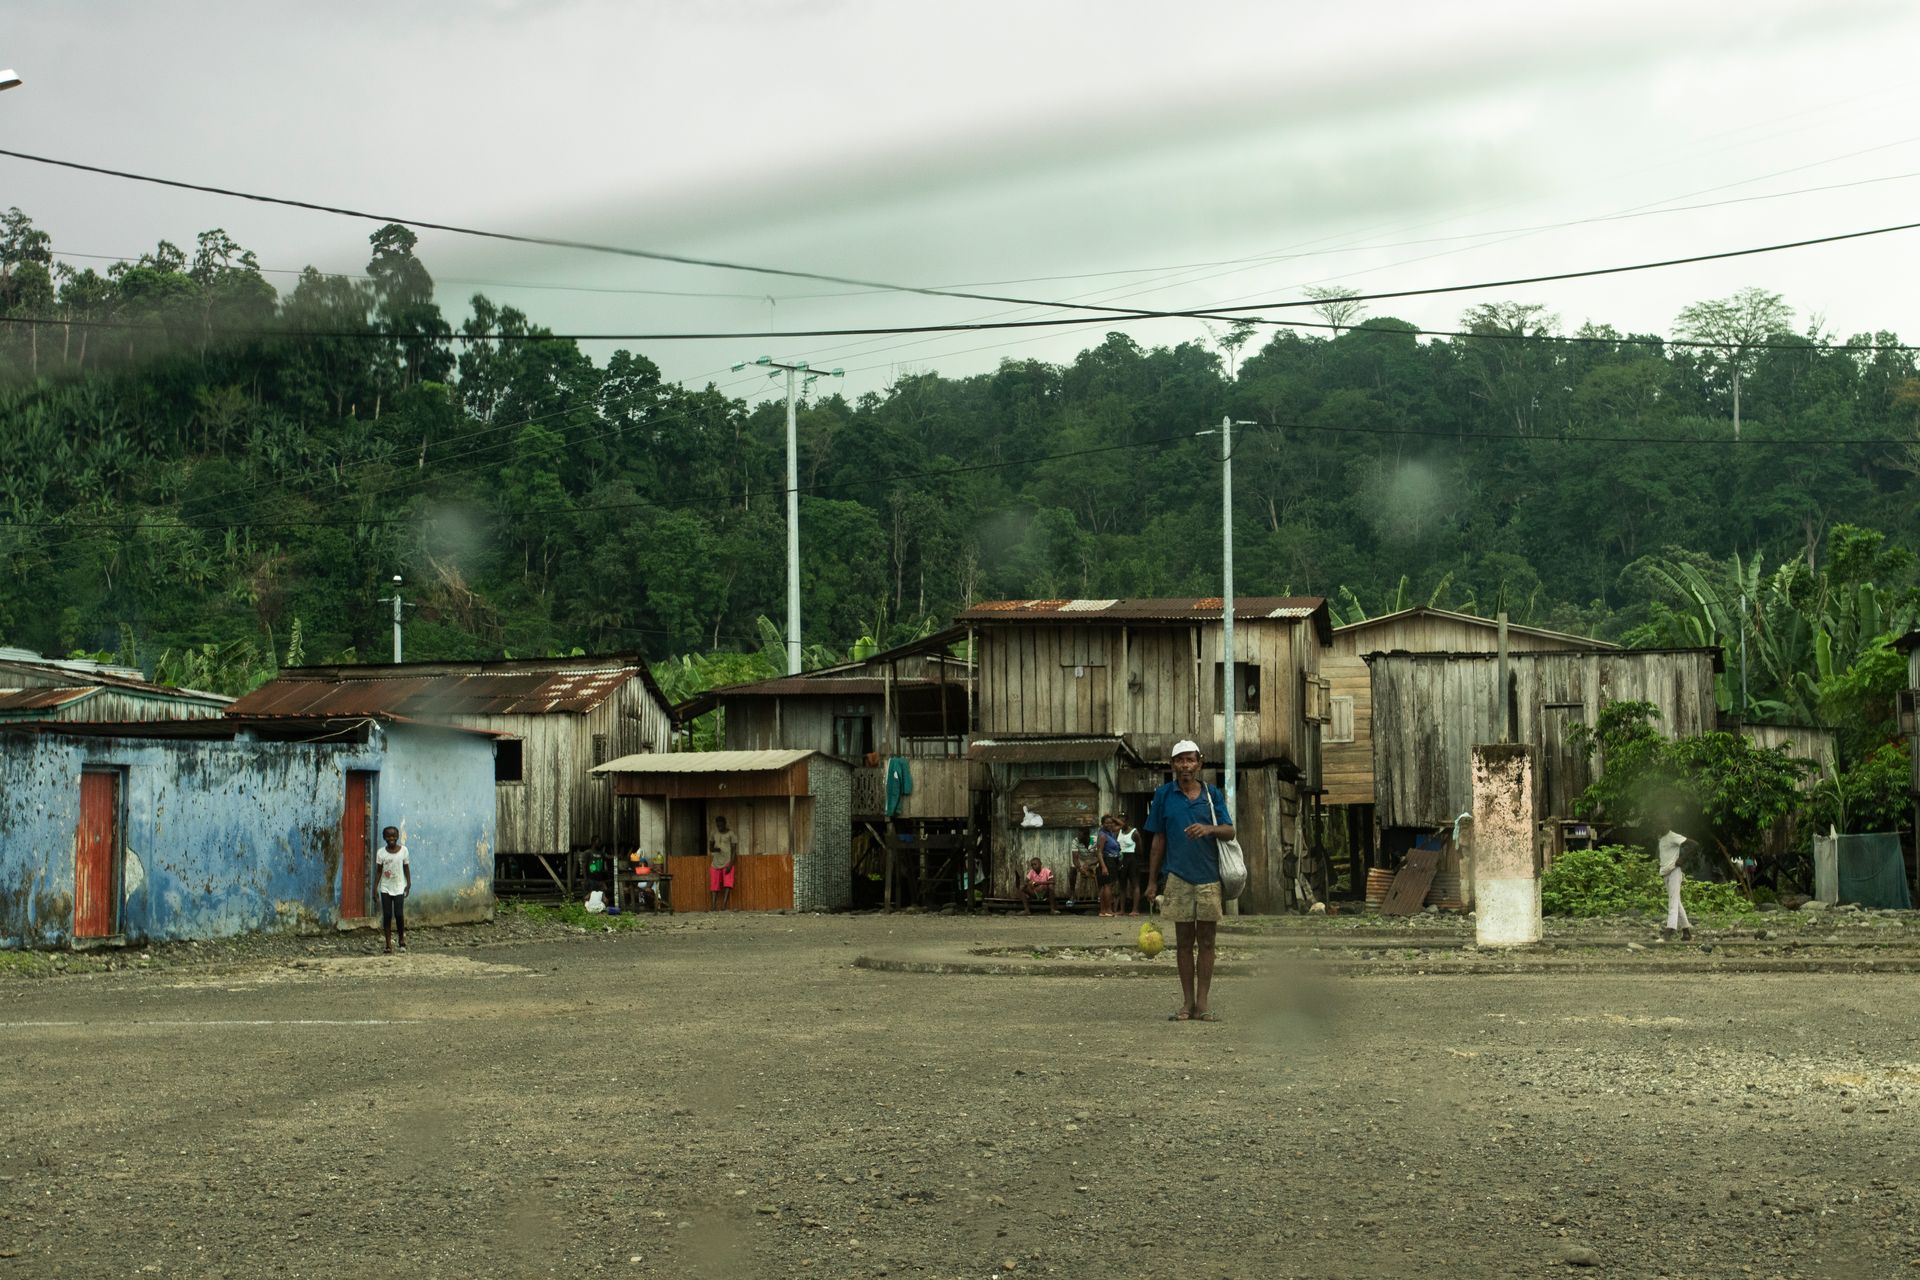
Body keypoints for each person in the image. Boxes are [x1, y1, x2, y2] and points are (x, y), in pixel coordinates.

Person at [1144, 741, 1233, 1021]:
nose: (1185, 765)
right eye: (1180, 760)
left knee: (1207, 943)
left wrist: (1209, 828)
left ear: (1199, 764)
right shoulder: (1164, 796)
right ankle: (1187, 1003)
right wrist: (1151, 882)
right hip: (1178, 878)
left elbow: (1230, 831)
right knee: (1183, 943)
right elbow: (1158, 839)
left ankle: (1203, 1004)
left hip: (1209, 878)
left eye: (1190, 760)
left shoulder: (1212, 794)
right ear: (1172, 765)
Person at [375, 825, 410, 955]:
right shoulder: (381, 853)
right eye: (388, 836)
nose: (391, 838)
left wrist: (408, 884)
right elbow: (379, 872)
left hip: (399, 886)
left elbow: (406, 868)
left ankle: (401, 940)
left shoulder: (404, 851)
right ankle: (388, 944)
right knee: (388, 915)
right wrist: (375, 888)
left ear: (397, 836)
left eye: (394, 836)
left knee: (399, 914)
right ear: (384, 838)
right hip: (385, 887)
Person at [1658, 829, 1693, 943]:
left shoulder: (1672, 836)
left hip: (1674, 872)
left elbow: (1694, 844)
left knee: (1672, 901)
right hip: (1665, 872)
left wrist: (1682, 859)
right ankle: (1686, 932)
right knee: (1676, 902)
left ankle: (1670, 930)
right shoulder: (1661, 838)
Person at [1115, 815, 1144, 916]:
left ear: (1127, 822)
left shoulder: (1134, 832)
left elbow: (1140, 849)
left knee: (1134, 884)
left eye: (1122, 822)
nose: (1120, 824)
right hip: (1122, 859)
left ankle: (1135, 909)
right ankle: (1122, 909)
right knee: (1122, 885)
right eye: (1119, 822)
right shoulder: (1118, 832)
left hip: (1132, 859)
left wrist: (1137, 859)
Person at [709, 815, 739, 911]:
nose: (719, 827)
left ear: (724, 824)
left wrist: (731, 864)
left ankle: (724, 906)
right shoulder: (714, 834)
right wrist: (715, 849)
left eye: (721, 825)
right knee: (714, 885)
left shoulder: (731, 834)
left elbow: (734, 850)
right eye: (718, 825)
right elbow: (710, 848)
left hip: (727, 862)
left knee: (727, 884)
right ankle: (713, 906)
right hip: (716, 863)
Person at [1095, 817, 1122, 917]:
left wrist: (1112, 817)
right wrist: (1104, 867)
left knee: (1105, 886)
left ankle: (1103, 911)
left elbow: (1121, 825)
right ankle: (1108, 910)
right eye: (1106, 823)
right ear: (1102, 824)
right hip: (1107, 861)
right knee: (1108, 885)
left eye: (1111, 823)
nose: (1109, 825)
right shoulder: (1103, 836)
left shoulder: (1110, 833)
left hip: (1111, 861)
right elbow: (1099, 852)